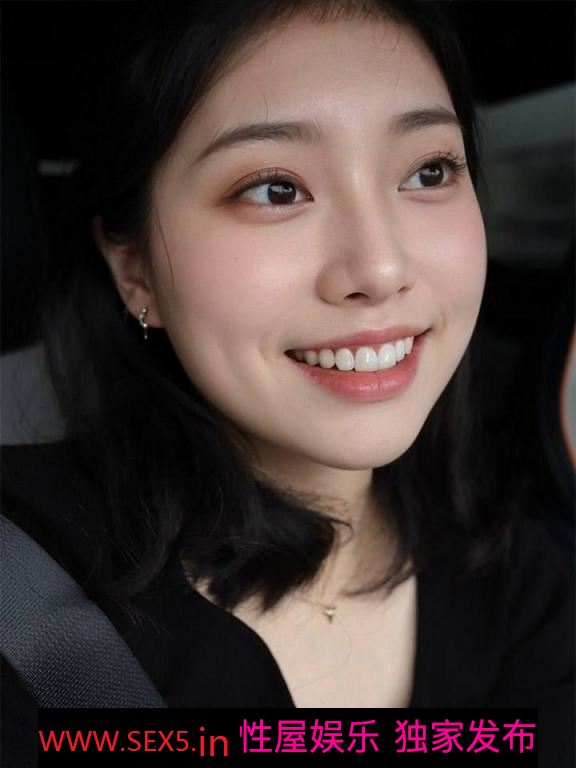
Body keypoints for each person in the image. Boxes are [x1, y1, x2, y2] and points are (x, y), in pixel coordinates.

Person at [1, 0, 574, 763]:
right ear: (133, 267)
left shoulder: (528, 584)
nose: (380, 268)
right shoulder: (20, 579)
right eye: (275, 189)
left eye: (429, 171)